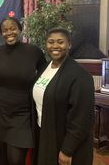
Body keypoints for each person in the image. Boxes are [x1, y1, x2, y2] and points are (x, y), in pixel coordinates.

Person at [0, 17, 46, 165]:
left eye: (13, 28)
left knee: (16, 160)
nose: (9, 32)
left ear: (20, 29)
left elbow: (44, 78)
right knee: (2, 159)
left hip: (23, 115)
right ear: (1, 33)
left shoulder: (34, 52)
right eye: (5, 30)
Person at [32, 28, 94, 165]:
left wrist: (68, 149)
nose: (55, 46)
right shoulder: (44, 68)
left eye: (60, 42)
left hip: (64, 140)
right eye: (50, 42)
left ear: (69, 44)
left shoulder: (80, 75)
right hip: (45, 133)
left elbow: (82, 118)